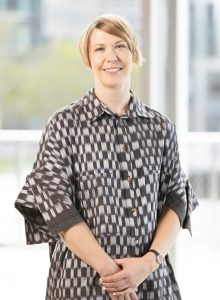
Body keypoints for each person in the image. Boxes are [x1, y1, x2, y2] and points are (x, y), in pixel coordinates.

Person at [15, 14, 198, 300]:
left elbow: (178, 198)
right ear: (89, 58)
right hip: (81, 285)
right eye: (99, 48)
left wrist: (147, 264)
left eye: (120, 45)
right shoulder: (64, 125)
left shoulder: (161, 128)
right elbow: (54, 204)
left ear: (134, 53)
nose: (110, 56)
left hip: (151, 284)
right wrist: (115, 276)